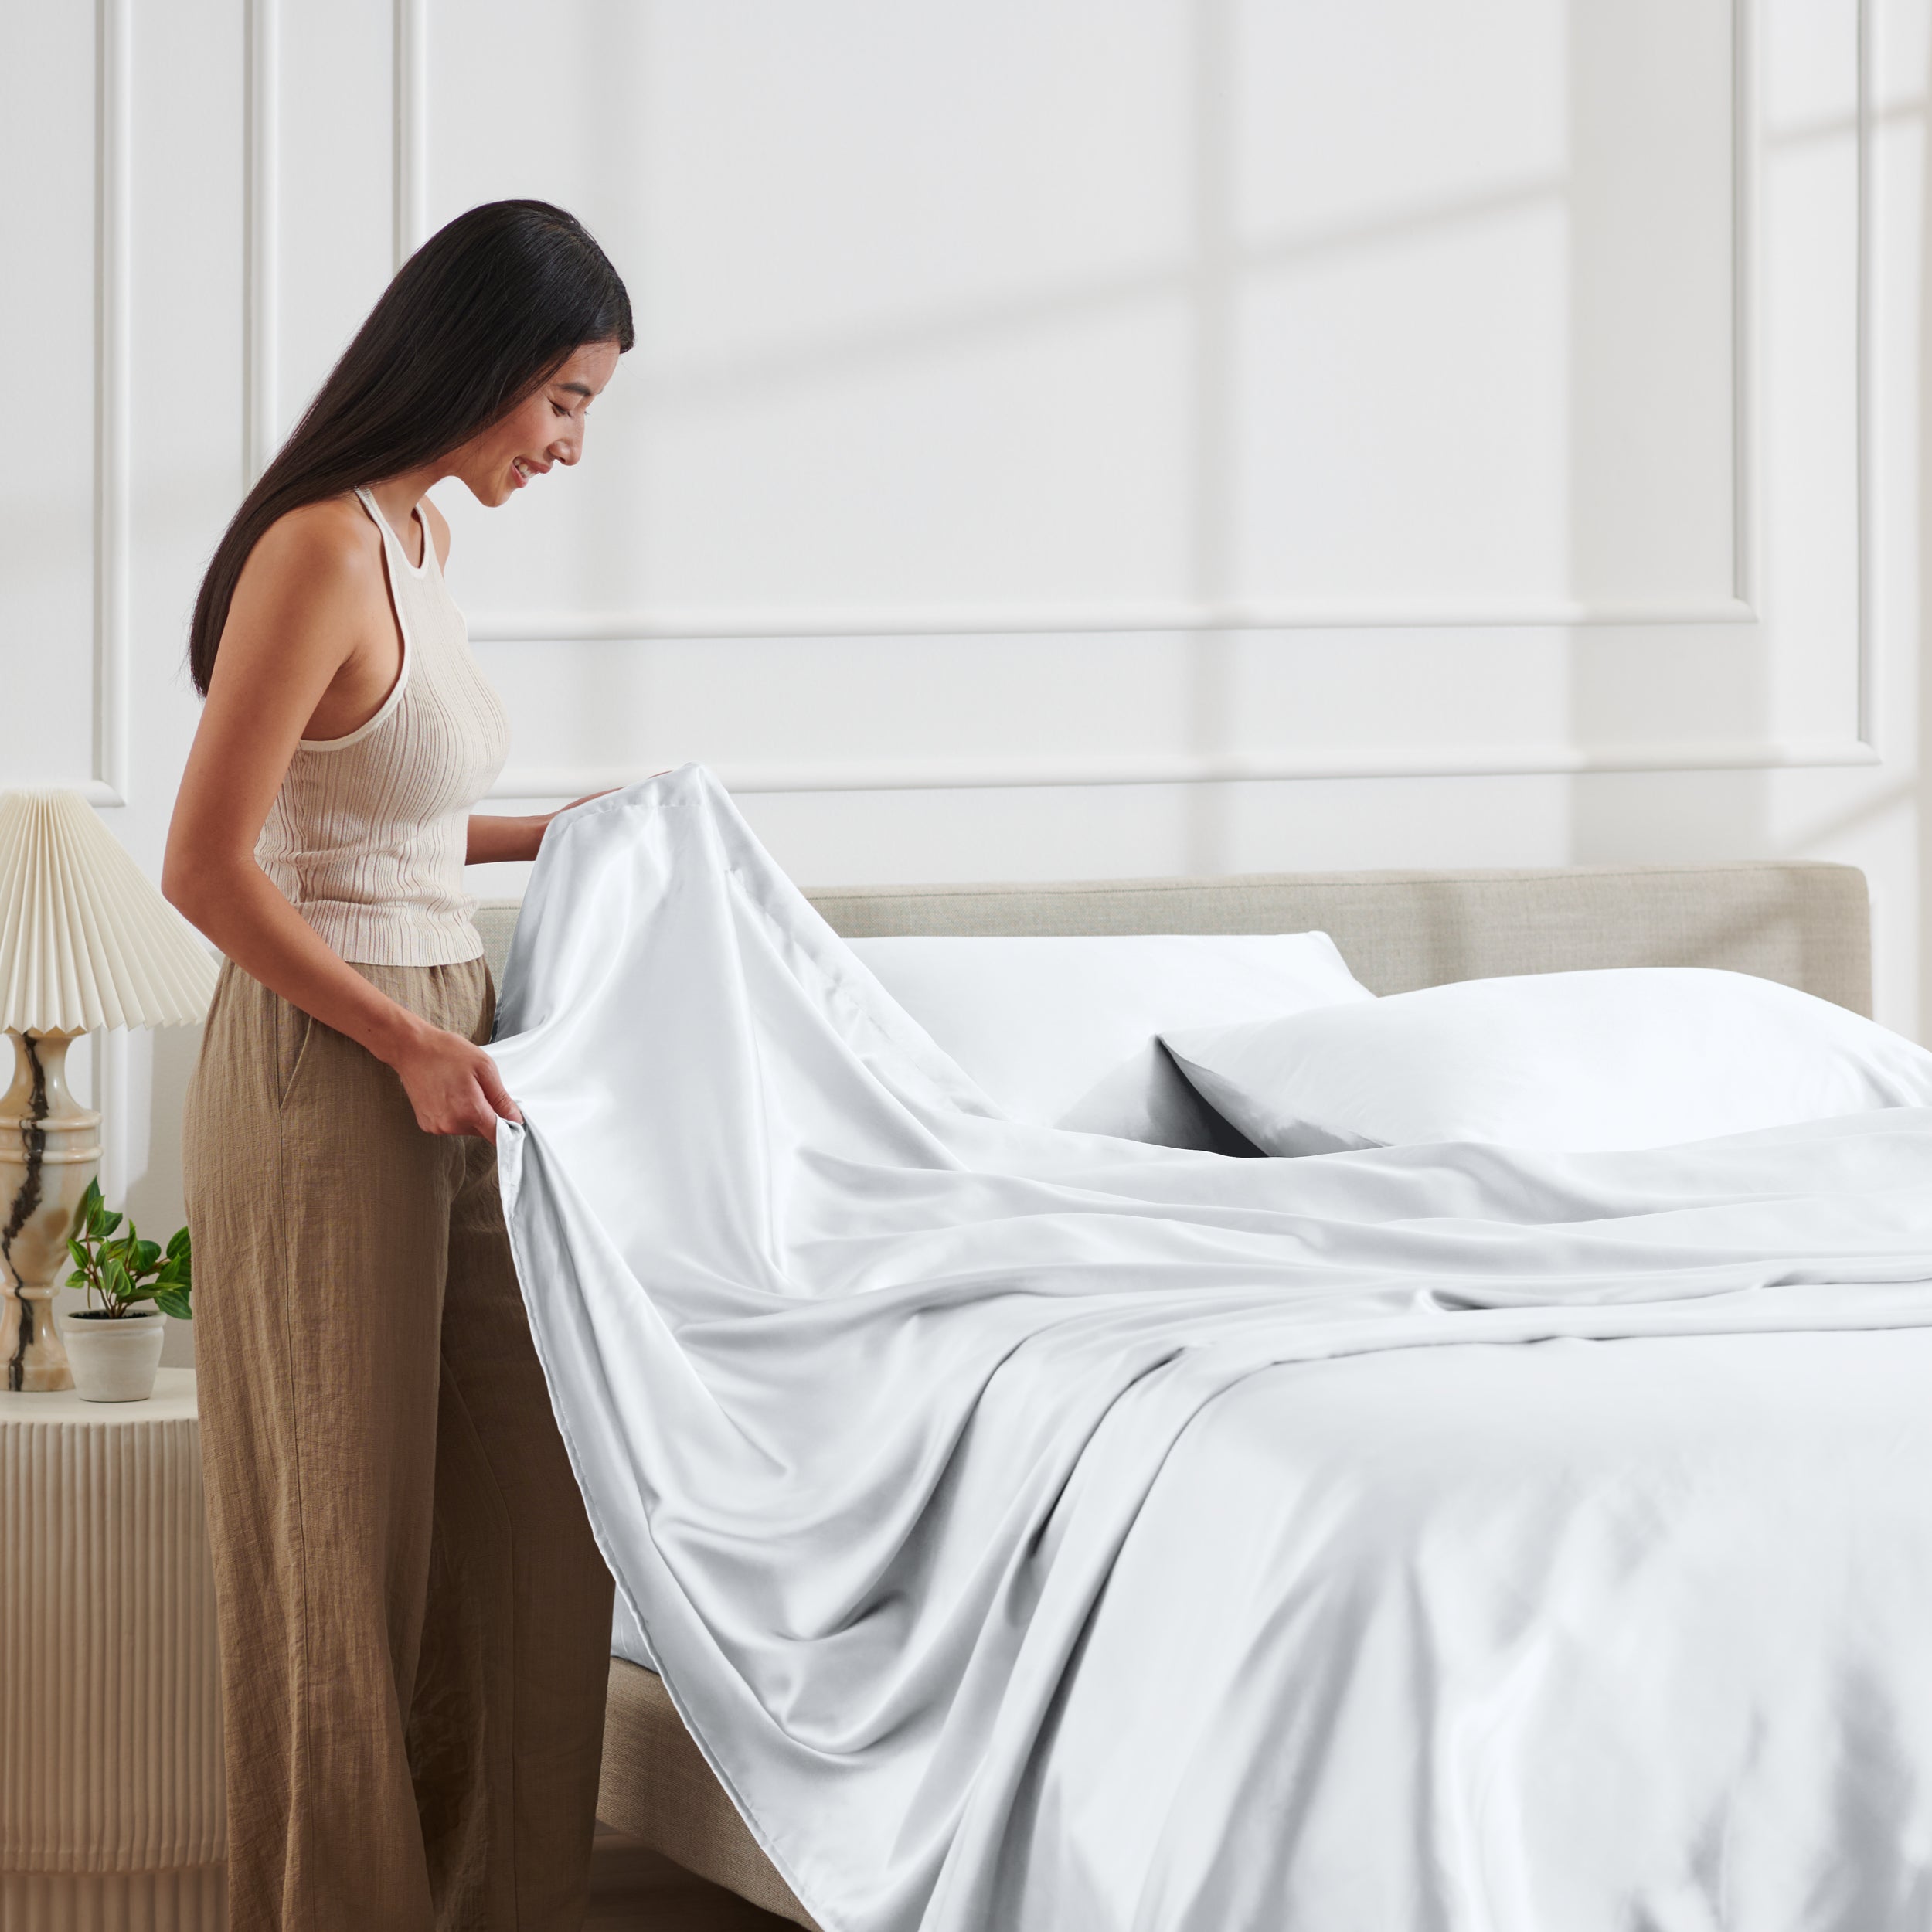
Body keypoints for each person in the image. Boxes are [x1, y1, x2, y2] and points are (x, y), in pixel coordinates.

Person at [164, 199, 629, 1930]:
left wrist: (570, 825)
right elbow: (210, 866)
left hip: (448, 1031)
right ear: (491, 358)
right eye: (565, 399)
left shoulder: (420, 541)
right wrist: (400, 1037)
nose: (570, 443)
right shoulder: (316, 546)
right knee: (339, 1561)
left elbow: (391, 817)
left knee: (529, 1519)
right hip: (330, 1058)